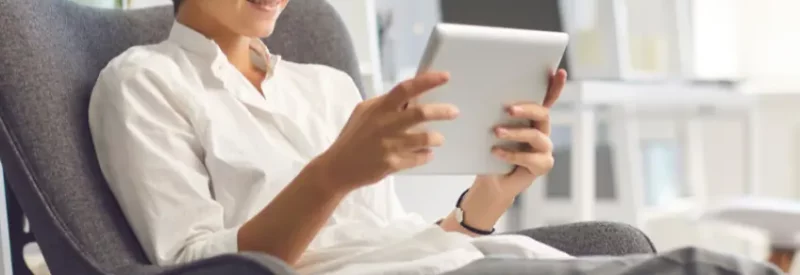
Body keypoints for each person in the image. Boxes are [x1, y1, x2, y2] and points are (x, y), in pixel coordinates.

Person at [88, 0, 782, 274]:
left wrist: (491, 194)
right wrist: (331, 175)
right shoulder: (145, 83)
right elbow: (197, 266)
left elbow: (390, 236)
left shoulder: (325, 86)